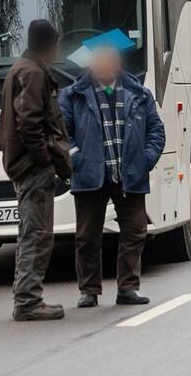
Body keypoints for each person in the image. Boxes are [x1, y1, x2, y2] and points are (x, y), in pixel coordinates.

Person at [59, 43, 164, 308]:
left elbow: (156, 131)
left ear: (117, 65)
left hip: (130, 174)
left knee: (135, 231)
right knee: (87, 236)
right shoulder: (73, 95)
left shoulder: (139, 93)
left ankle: (128, 287)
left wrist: (145, 160)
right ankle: (89, 290)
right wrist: (76, 160)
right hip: (90, 174)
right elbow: (61, 134)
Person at [1, 20, 72, 322]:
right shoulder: (32, 72)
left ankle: (26, 296)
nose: (58, 50)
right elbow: (29, 122)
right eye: (56, 44)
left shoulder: (23, 68)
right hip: (33, 168)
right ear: (49, 44)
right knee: (37, 234)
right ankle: (28, 301)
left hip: (26, 165)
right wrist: (45, 158)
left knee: (32, 232)